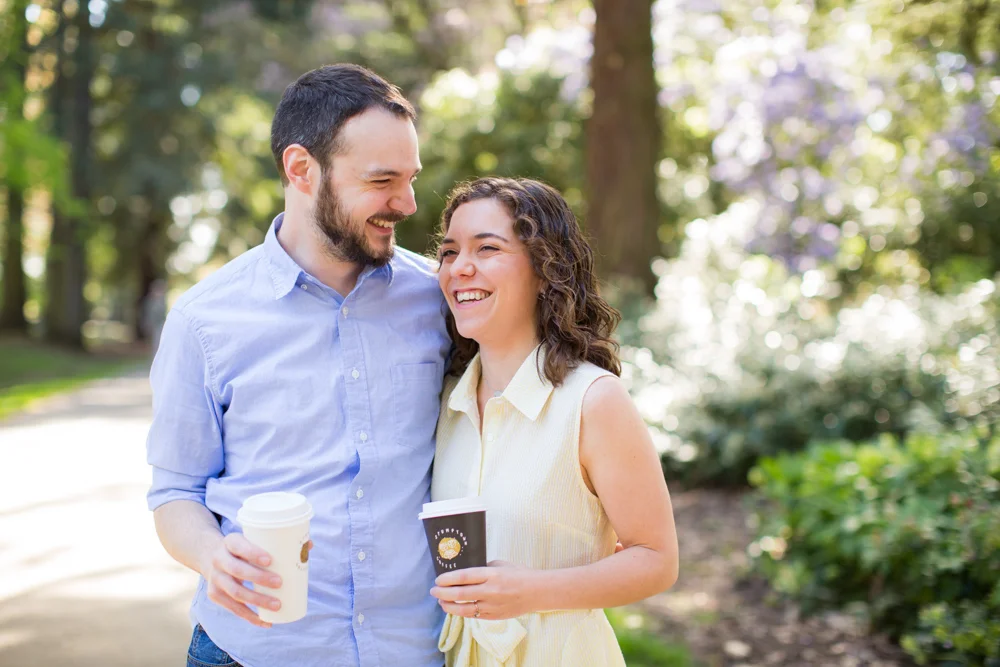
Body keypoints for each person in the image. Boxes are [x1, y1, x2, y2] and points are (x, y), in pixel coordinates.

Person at [145, 64, 450, 667]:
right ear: (301, 169)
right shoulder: (204, 321)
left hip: (413, 650)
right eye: (382, 180)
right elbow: (176, 490)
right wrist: (211, 554)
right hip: (253, 650)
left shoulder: (437, 299)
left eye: (411, 178)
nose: (408, 203)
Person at [428, 177, 679, 666]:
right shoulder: (444, 403)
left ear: (545, 271)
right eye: (450, 251)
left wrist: (531, 591)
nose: (461, 268)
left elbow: (657, 560)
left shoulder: (592, 401)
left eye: (488, 248)